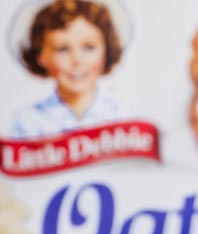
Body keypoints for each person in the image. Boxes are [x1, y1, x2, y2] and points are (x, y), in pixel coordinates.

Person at [9, 0, 131, 139]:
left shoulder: (122, 116)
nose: (77, 61)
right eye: (62, 49)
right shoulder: (28, 122)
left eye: (89, 47)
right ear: (41, 57)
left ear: (107, 50)